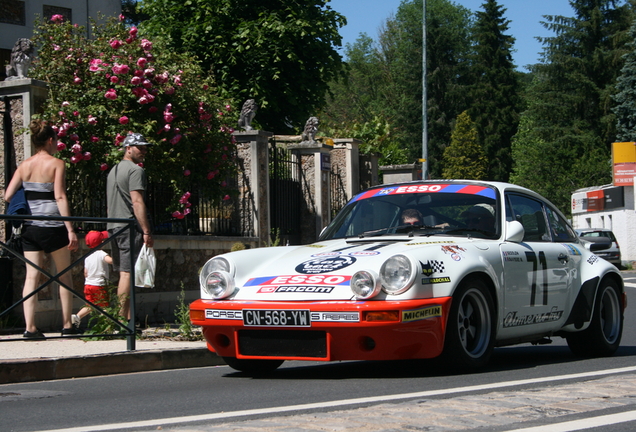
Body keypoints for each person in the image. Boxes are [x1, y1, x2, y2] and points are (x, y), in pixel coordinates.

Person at [4, 119, 79, 338]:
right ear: (49, 140)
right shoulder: (57, 163)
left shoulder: (24, 165)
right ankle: (67, 325)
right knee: (64, 276)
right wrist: (70, 229)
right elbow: (60, 196)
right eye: (56, 140)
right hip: (54, 226)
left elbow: (8, 196)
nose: (57, 144)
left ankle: (31, 328)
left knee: (31, 278)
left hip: (31, 228)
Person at [106, 132, 154, 321]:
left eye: (144, 148)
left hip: (113, 226)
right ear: (128, 149)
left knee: (122, 273)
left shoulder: (113, 170)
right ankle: (122, 321)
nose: (143, 151)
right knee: (127, 273)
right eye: (139, 147)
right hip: (128, 226)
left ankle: (127, 318)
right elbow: (137, 202)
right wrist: (146, 230)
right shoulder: (136, 171)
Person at [72, 230, 113, 328]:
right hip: (100, 285)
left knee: (90, 305)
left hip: (89, 285)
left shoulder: (88, 257)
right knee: (104, 306)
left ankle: (77, 316)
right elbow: (110, 261)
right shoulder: (102, 254)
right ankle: (105, 325)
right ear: (102, 242)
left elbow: (85, 272)